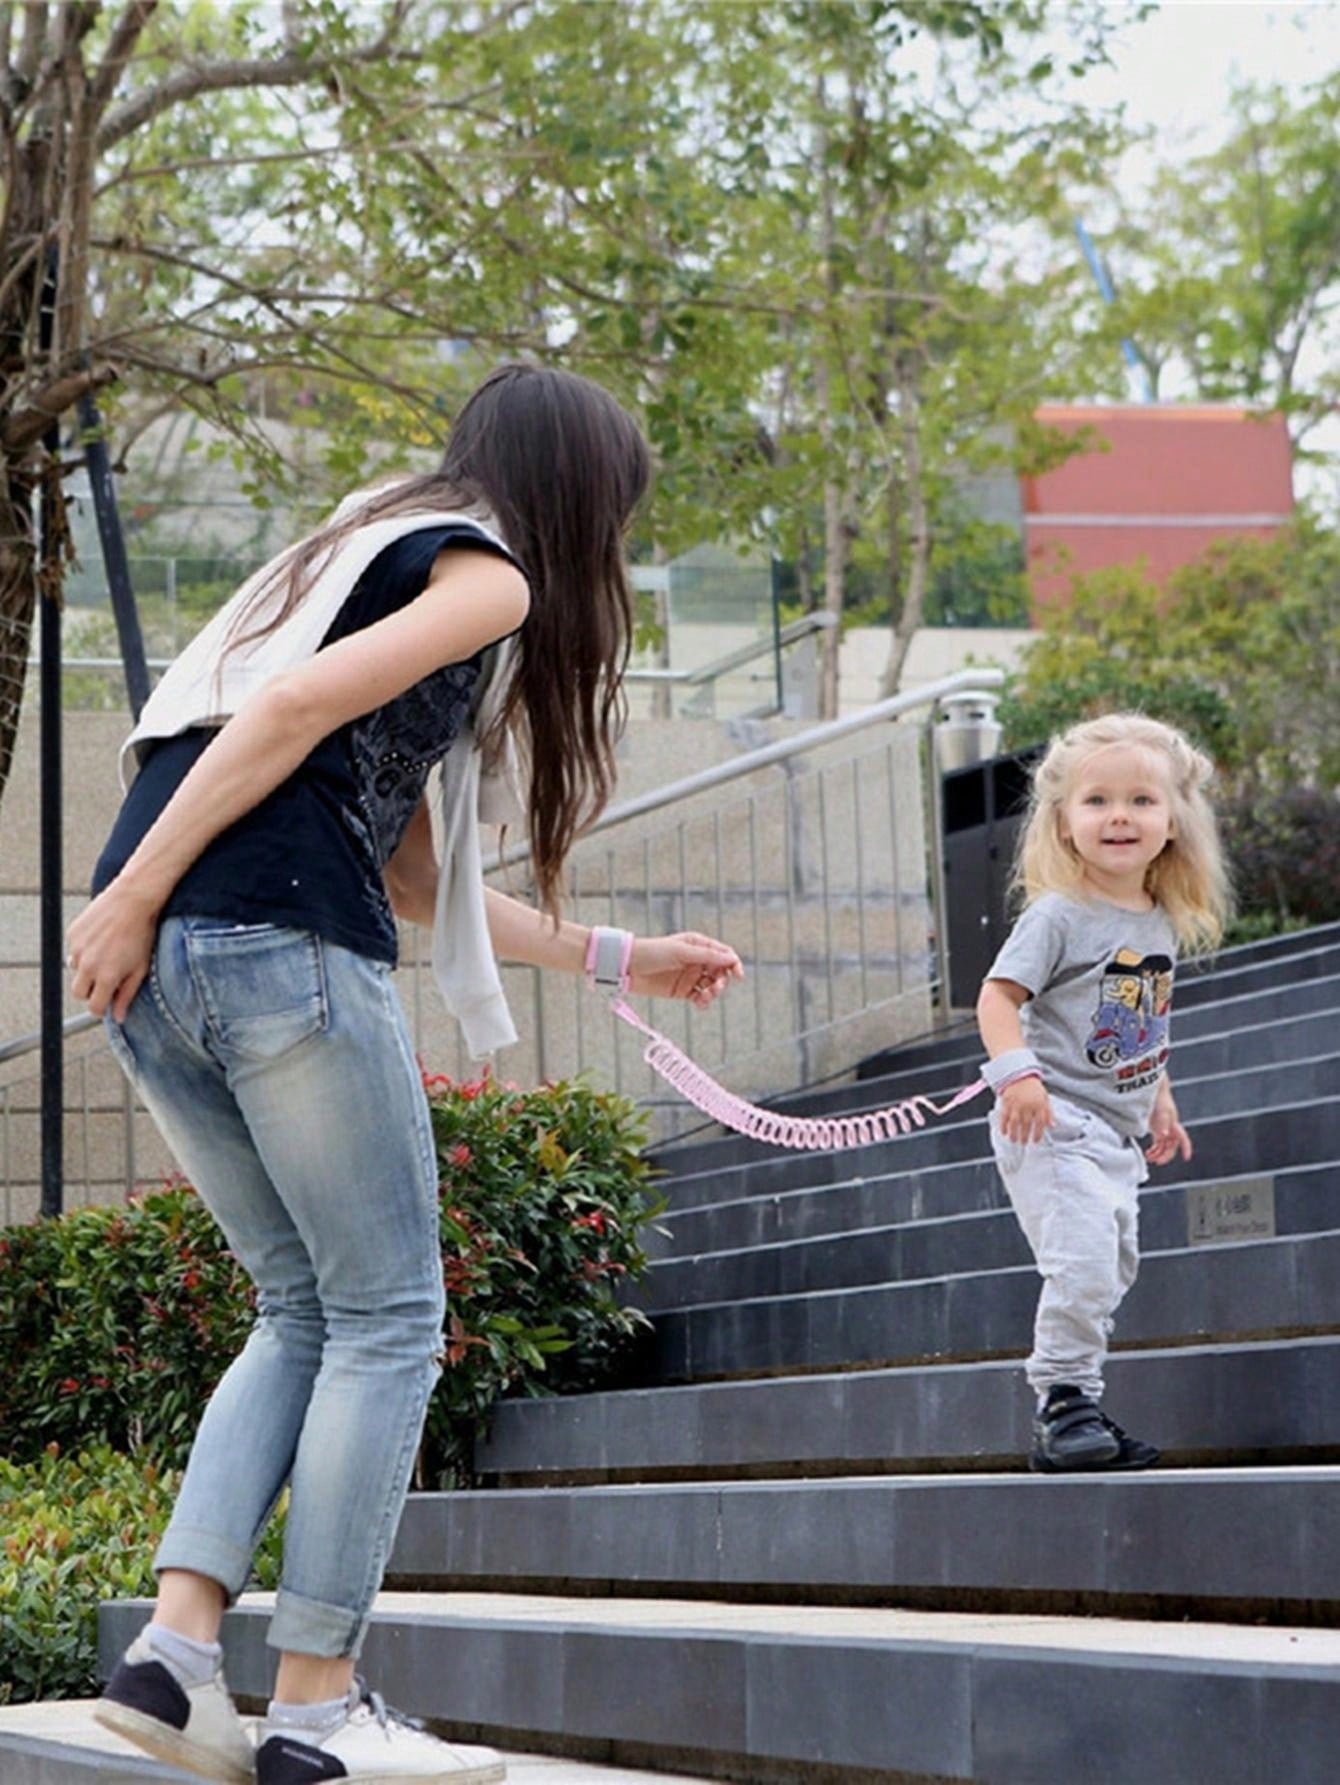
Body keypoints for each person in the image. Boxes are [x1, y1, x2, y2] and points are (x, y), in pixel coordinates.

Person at [66, 363, 744, 1785]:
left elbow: (417, 869)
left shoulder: (358, 543)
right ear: (576, 495)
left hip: (171, 965)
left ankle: (173, 1658)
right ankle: (317, 1704)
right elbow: (292, 714)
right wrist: (131, 891)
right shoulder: (489, 579)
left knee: (303, 1303)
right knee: (386, 1311)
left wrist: (622, 958)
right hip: (251, 936)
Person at [975, 713, 1229, 1475]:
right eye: (1098, 801)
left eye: (1142, 800)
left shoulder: (1155, 920)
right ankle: (1062, 1403)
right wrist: (1017, 1074)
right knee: (1082, 1264)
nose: (1120, 816)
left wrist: (1159, 1097)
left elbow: (1140, 1020)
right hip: (1051, 1118)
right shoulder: (1058, 914)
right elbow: (996, 999)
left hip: (1114, 1132)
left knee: (1111, 1268)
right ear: (1063, 820)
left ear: (1175, 821)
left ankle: (1080, 1395)